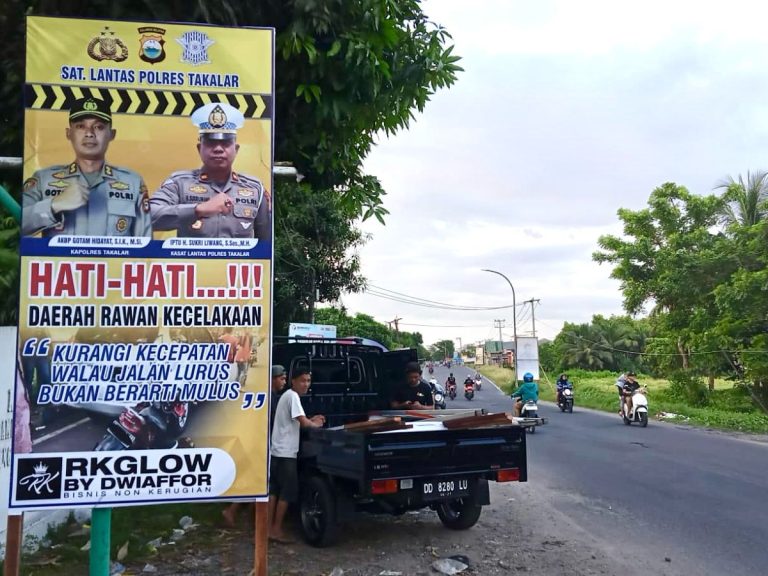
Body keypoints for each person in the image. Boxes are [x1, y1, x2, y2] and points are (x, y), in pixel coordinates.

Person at [22, 97, 151, 238]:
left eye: (98, 127)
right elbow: (18, 224)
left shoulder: (132, 183)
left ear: (112, 134)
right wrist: (54, 205)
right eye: (80, 126)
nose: (89, 133)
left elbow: (146, 244)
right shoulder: (43, 179)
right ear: (68, 133)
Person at [150, 102, 270, 239]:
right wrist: (198, 210)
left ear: (236, 149)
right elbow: (146, 216)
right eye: (211, 143)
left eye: (225, 143)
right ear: (199, 148)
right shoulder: (179, 183)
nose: (218, 149)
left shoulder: (255, 188)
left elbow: (266, 244)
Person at [223, 364, 288, 528]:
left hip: (262, 442)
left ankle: (247, 516)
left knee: (260, 481)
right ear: (273, 379)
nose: (284, 382)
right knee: (258, 481)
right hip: (260, 443)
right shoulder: (269, 397)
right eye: (281, 379)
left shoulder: (269, 395)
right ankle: (232, 511)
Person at [269, 368, 325, 543]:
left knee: (274, 491)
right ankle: (276, 529)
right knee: (287, 492)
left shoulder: (286, 396)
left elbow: (296, 421)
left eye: (308, 381)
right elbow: (304, 423)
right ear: (293, 381)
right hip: (286, 453)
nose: (306, 384)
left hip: (277, 450)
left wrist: (311, 420)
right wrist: (317, 424)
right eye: (302, 380)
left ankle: (266, 528)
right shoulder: (293, 396)